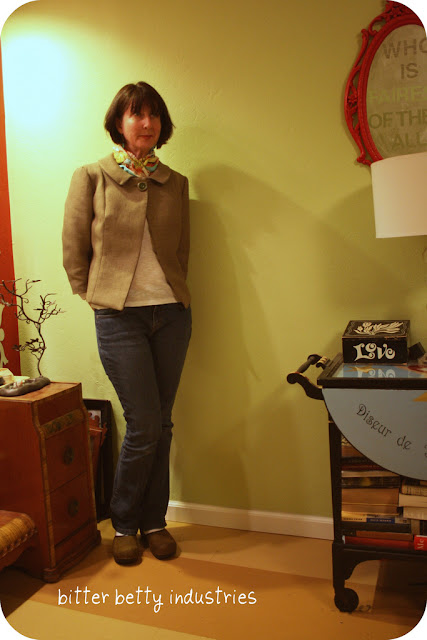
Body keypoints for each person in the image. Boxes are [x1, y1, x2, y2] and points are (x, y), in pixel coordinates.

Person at [62, 82, 191, 565]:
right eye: (137, 114)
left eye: (154, 114)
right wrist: (93, 296)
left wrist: (175, 295)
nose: (147, 123)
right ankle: (123, 523)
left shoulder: (175, 181)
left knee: (163, 423)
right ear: (119, 122)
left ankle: (154, 522)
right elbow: (74, 245)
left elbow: (183, 250)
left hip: (172, 315)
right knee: (143, 424)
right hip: (119, 318)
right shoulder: (92, 176)